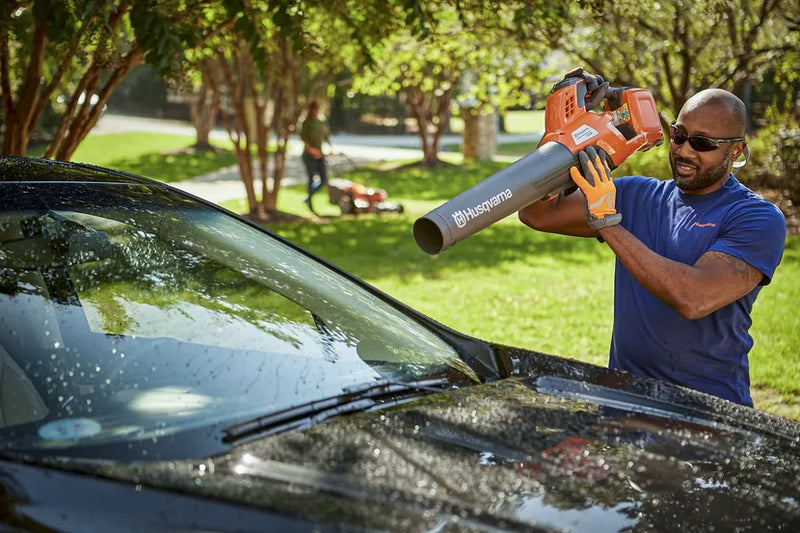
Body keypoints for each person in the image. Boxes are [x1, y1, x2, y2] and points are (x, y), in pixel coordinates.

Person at [518, 87, 786, 407]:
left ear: (736, 150)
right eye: (679, 135)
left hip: (706, 410)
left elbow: (693, 298)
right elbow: (536, 213)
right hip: (625, 400)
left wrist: (607, 223)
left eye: (702, 143)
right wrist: (560, 136)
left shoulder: (756, 218)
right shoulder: (638, 195)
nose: (684, 151)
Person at [300, 100, 331, 213]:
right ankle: (310, 203)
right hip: (309, 155)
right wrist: (313, 151)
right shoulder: (307, 122)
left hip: (320, 154)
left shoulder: (322, 121)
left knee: (323, 179)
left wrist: (330, 149)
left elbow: (326, 137)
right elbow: (304, 139)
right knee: (311, 178)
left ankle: (308, 197)